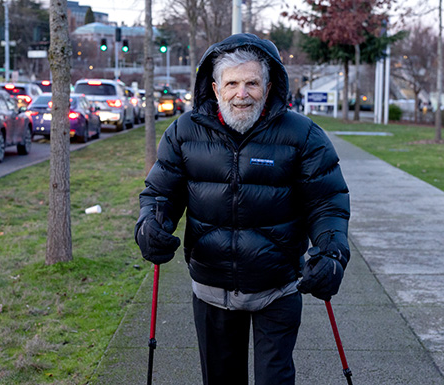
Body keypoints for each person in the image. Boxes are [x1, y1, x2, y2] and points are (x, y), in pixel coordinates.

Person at [135, 33, 350, 385]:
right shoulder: (183, 132)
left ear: (268, 86)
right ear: (216, 88)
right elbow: (160, 193)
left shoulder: (303, 135)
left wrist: (332, 253)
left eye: (252, 82)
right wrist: (150, 228)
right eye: (232, 83)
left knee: (274, 380)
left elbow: (327, 202)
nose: (242, 93)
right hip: (211, 285)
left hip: (278, 285)